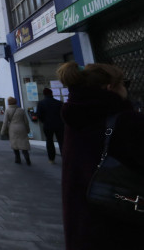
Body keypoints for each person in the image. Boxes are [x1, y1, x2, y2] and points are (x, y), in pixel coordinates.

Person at [58, 62, 144, 250]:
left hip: (82, 222)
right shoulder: (127, 122)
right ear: (110, 87)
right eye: (125, 84)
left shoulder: (74, 118)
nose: (126, 89)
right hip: (124, 220)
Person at [35, 87, 64, 163]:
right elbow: (63, 114)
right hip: (59, 125)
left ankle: (51, 158)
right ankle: (65, 157)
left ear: (44, 94)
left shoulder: (41, 103)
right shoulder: (59, 103)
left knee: (49, 141)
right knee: (61, 142)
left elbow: (39, 115)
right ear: (52, 93)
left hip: (48, 125)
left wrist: (44, 121)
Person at [1, 96, 31, 165]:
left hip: (13, 129)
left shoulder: (8, 110)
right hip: (22, 128)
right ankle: (27, 159)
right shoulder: (21, 110)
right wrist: (28, 129)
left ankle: (17, 159)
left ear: (8, 103)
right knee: (24, 144)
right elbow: (26, 121)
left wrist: (2, 131)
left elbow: (5, 122)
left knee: (15, 144)